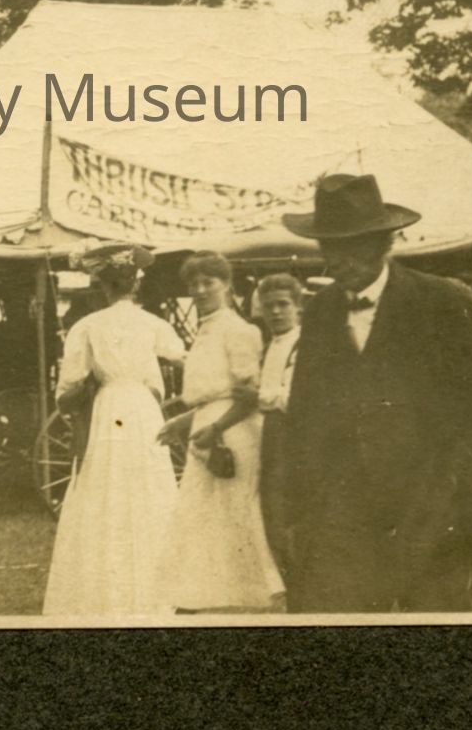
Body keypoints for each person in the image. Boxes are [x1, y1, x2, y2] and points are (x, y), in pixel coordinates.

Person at [273, 175, 472, 614]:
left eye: (353, 246)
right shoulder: (321, 311)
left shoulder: (440, 302)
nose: (338, 260)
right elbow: (305, 415)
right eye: (329, 246)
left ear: (383, 243)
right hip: (344, 516)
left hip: (431, 510)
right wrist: (302, 509)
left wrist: (456, 487)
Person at [42, 246, 184, 618]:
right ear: (136, 284)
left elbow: (67, 388)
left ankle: (105, 586)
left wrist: (81, 392)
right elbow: (182, 356)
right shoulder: (153, 323)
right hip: (143, 409)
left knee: (105, 484)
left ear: (102, 285)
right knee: (145, 486)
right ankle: (151, 590)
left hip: (109, 410)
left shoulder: (87, 326)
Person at [154, 251, 282, 612]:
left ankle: (250, 590)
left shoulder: (239, 330)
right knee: (202, 513)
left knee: (232, 511)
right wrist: (185, 420)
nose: (199, 290)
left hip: (234, 431)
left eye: (208, 282)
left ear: (226, 285)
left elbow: (247, 396)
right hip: (208, 426)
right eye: (193, 284)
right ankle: (202, 592)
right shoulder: (207, 329)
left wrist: (215, 427)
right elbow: (212, 390)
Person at [250, 271, 306, 589]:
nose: (275, 312)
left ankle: (300, 582)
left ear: (298, 307)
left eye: (283, 304)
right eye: (268, 305)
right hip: (268, 437)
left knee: (290, 514)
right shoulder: (268, 347)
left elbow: (291, 398)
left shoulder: (303, 345)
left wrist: (257, 396)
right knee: (270, 513)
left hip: (294, 439)